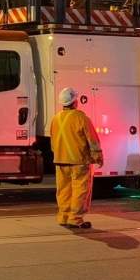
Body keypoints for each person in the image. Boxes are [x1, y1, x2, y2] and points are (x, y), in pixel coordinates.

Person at [49, 87, 103, 230]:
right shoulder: (81, 118)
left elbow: (53, 142)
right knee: (80, 190)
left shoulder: (55, 119)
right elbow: (92, 140)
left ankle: (63, 216)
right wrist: (97, 156)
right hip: (79, 161)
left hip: (60, 161)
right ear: (74, 102)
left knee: (63, 190)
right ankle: (75, 218)